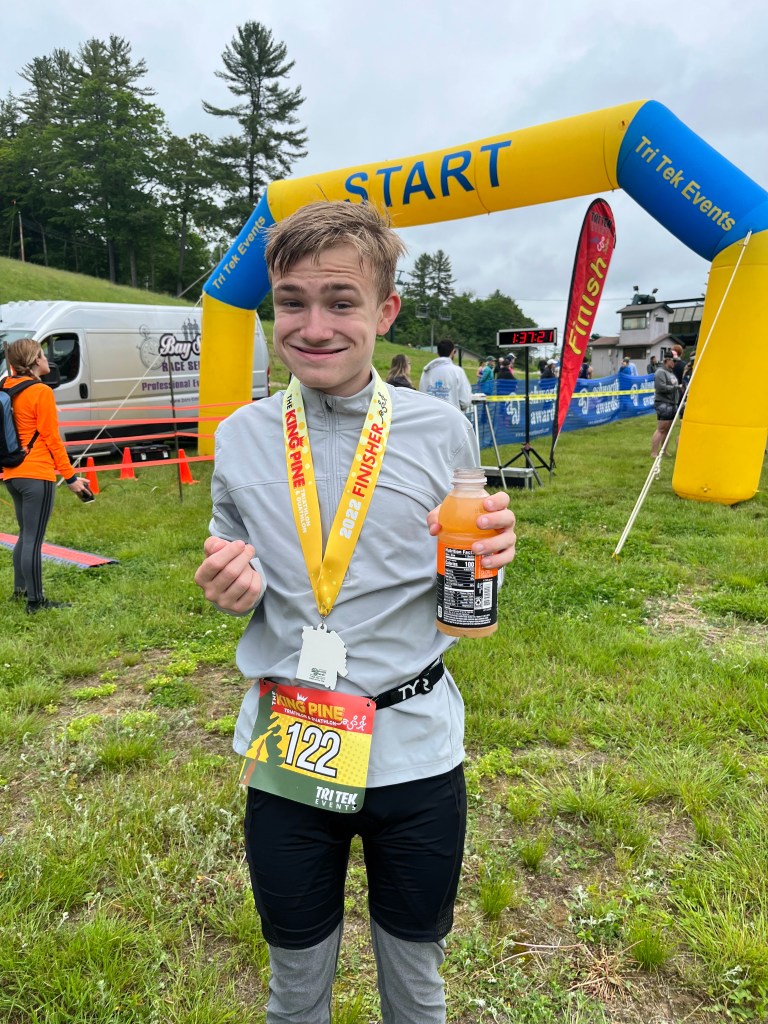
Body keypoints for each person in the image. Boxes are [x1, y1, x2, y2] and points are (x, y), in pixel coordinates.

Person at [193, 200, 517, 1024]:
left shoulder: (441, 429)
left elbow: (464, 575)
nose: (314, 326)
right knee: (295, 987)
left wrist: (489, 562)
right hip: (292, 743)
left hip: (415, 749)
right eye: (291, 302)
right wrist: (230, 585)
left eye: (341, 301)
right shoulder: (241, 435)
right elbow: (233, 554)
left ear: (385, 310)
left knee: (416, 987)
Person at [1, 338, 90, 612]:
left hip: (12, 473)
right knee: (33, 538)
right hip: (36, 473)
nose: (46, 359)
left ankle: (20, 591)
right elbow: (52, 439)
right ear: (34, 361)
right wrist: (71, 478)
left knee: (25, 534)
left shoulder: (6, 385)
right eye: (42, 354)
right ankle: (36, 601)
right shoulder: (40, 391)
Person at [419, 339, 472, 411]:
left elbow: (422, 397)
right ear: (452, 352)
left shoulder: (426, 371)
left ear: (437, 353)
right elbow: (465, 401)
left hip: (430, 415)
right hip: (451, 415)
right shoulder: (458, 372)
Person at [650, 351, 681, 457]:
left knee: (668, 430)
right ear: (667, 360)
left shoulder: (670, 373)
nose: (675, 363)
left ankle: (664, 451)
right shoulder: (660, 372)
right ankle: (654, 452)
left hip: (672, 403)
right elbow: (660, 387)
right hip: (663, 403)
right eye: (674, 361)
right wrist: (676, 388)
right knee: (661, 429)